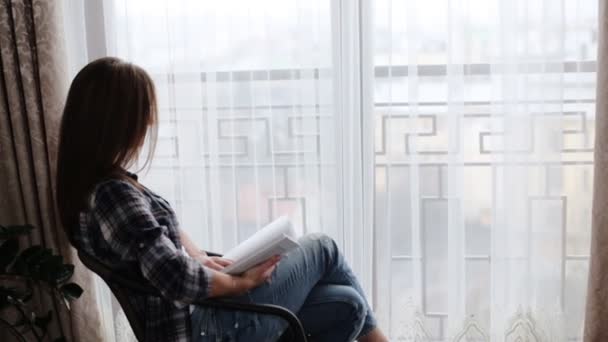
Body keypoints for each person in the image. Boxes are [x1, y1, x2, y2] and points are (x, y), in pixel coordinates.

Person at [56, 57, 388, 342]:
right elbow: (173, 276)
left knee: (348, 304)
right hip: (201, 328)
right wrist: (236, 283)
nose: (149, 124)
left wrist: (199, 257)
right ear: (119, 123)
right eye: (143, 114)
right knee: (323, 247)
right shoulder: (113, 196)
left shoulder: (98, 187)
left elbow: (153, 247)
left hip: (200, 316)